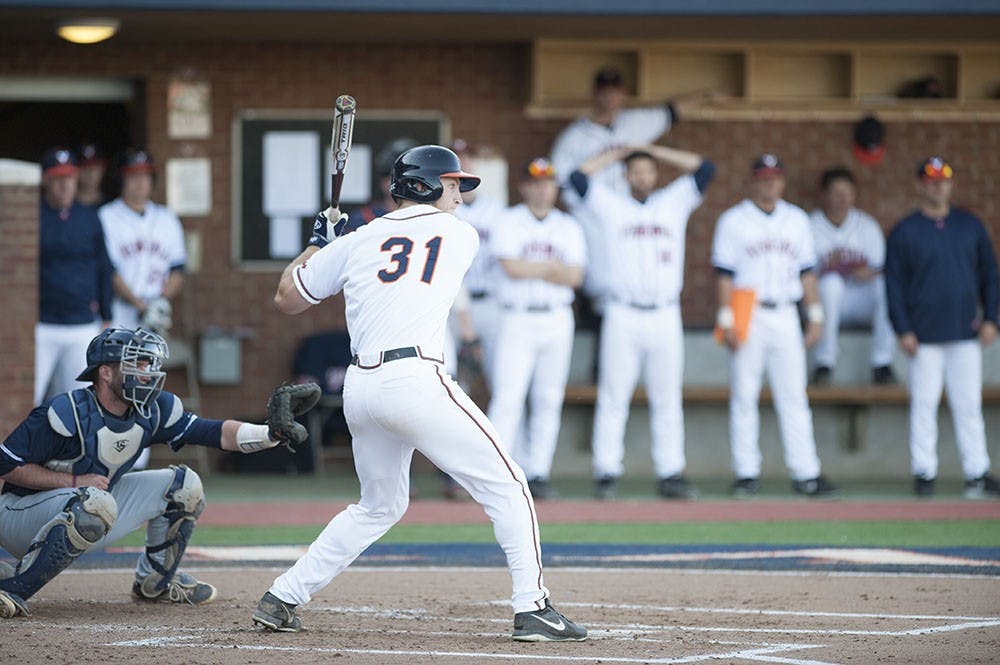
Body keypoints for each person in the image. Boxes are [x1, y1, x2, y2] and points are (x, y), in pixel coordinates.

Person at [253, 145, 587, 641]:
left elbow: (287, 298)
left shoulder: (360, 239)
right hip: (415, 380)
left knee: (378, 506)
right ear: (426, 185)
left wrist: (318, 244)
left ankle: (283, 595)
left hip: (361, 389)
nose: (459, 194)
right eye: (452, 184)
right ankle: (533, 607)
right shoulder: (458, 233)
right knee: (510, 484)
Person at [0, 327, 304, 619]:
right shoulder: (66, 412)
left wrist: (270, 434)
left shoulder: (153, 409)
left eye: (148, 364)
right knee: (96, 502)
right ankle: (12, 589)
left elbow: (213, 433)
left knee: (184, 485)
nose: (146, 373)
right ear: (105, 372)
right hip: (20, 516)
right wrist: (73, 482)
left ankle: (155, 583)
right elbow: (6, 465)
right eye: (136, 364)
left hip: (90, 506)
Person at [567, 144, 715, 500]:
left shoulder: (673, 201)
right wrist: (620, 154)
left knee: (666, 396)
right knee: (614, 394)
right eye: (636, 172)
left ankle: (670, 472)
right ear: (626, 176)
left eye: (647, 171)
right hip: (622, 311)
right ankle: (606, 471)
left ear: (656, 174)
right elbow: (577, 178)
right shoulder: (612, 204)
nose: (642, 177)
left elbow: (706, 166)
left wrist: (651, 149)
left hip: (665, 311)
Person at [711, 154, 837, 498]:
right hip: (748, 310)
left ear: (782, 181)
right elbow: (724, 275)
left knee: (794, 395)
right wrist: (727, 320)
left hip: (784, 311)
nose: (770, 184)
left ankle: (806, 473)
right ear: (753, 181)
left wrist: (815, 314)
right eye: (764, 178)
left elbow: (807, 273)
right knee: (744, 395)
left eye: (775, 178)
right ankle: (746, 473)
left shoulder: (796, 219)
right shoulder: (734, 220)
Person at [552, 67, 721, 308]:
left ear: (623, 94)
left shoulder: (635, 123)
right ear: (594, 94)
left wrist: (705, 97)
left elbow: (671, 112)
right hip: (592, 216)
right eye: (604, 91)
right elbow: (564, 183)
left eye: (615, 91)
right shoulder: (573, 137)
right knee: (601, 285)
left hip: (629, 212)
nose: (610, 97)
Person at [884, 156, 1000, 499]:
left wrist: (992, 318)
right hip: (923, 336)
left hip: (965, 331)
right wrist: (902, 328)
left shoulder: (969, 225)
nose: (938, 186)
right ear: (921, 184)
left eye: (943, 180)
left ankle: (976, 472)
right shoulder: (906, 230)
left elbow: (990, 276)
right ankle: (924, 472)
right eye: (931, 180)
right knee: (924, 404)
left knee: (968, 405)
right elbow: (893, 285)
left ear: (951, 183)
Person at [486, 158, 586, 501]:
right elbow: (511, 267)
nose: (543, 188)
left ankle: (538, 471)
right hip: (516, 315)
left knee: (548, 398)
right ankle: (496, 472)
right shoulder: (509, 220)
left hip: (557, 317)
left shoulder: (568, 225)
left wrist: (536, 269)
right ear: (524, 186)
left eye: (548, 182)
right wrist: (551, 268)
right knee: (508, 396)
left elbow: (575, 277)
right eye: (536, 182)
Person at [35, 146, 114, 407]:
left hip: (81, 323)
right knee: (28, 397)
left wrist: (106, 315)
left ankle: (69, 450)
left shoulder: (89, 217)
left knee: (77, 404)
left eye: (68, 178)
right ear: (46, 180)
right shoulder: (34, 216)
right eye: (58, 179)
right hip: (41, 324)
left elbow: (103, 267)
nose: (64, 186)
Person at [809, 167, 896, 385]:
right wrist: (831, 266)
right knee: (830, 284)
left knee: (886, 286)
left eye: (847, 192)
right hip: (823, 301)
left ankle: (882, 363)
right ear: (824, 195)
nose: (842, 198)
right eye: (836, 192)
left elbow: (879, 268)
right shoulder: (809, 225)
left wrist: (864, 272)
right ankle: (824, 363)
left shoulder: (867, 225)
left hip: (860, 298)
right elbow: (802, 274)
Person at [99, 148, 187, 335]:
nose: (140, 183)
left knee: (150, 364)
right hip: (120, 311)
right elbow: (109, 270)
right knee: (117, 363)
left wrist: (160, 302)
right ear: (121, 180)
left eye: (145, 176)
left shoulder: (168, 219)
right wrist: (139, 305)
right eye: (133, 176)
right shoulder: (106, 216)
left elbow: (178, 269)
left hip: (156, 313)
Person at [451, 139, 506, 388]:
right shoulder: (444, 209)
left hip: (492, 302)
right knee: (458, 382)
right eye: (457, 157)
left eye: (467, 156)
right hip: (454, 305)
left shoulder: (496, 208)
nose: (464, 162)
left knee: (503, 380)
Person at [344, 136, 418, 233]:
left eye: (407, 177)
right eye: (389, 175)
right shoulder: (365, 217)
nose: (399, 182)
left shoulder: (431, 216)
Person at [75, 142, 107, 208]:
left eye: (95, 167)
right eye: (84, 167)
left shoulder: (111, 205)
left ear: (103, 169)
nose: (90, 173)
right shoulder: (65, 205)